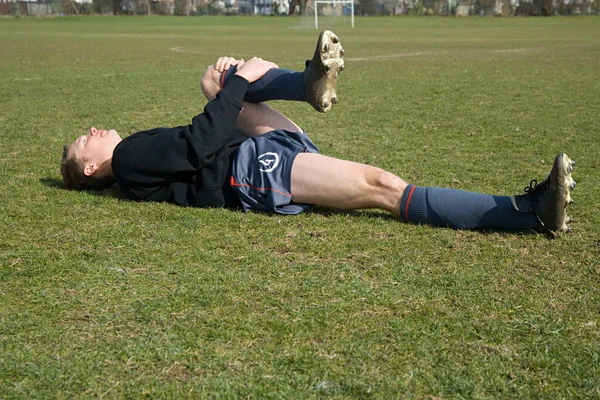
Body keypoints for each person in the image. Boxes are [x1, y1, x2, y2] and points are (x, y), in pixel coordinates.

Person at [60, 31, 576, 235]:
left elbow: (202, 135)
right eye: (84, 140)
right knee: (382, 185)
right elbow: (198, 145)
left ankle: (306, 83)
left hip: (259, 149)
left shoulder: (131, 155)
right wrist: (240, 82)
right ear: (89, 167)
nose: (92, 130)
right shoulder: (126, 160)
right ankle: (527, 213)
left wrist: (225, 88)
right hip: (251, 173)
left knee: (210, 80)